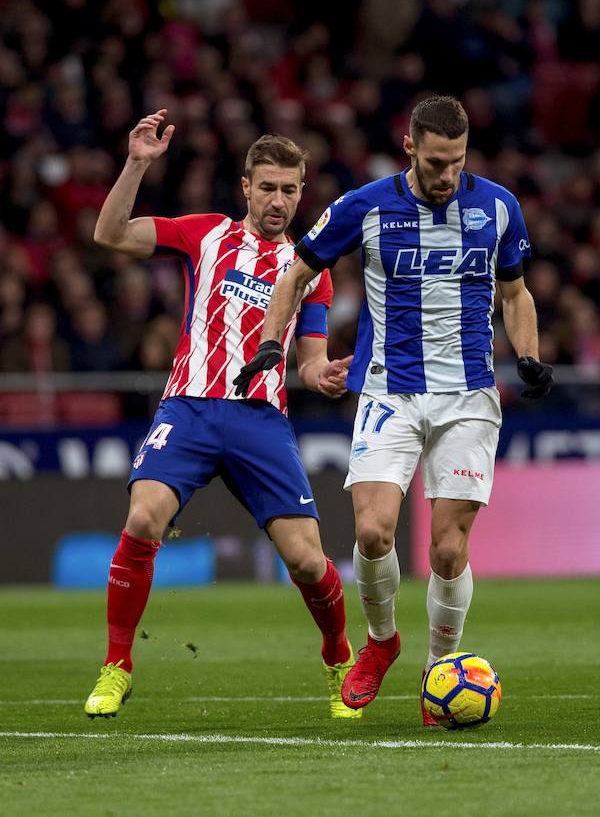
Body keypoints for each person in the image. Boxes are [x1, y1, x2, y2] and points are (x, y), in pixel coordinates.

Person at [234, 95, 554, 724]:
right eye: (436, 162)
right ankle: (382, 642)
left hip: (467, 395)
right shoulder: (365, 205)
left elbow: (515, 293)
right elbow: (296, 273)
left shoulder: (497, 207)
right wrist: (274, 340)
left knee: (447, 551)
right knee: (373, 531)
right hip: (389, 390)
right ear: (410, 148)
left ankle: (443, 669)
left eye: (457, 162)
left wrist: (529, 356)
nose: (447, 176)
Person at [84, 109, 361, 721]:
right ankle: (117, 666)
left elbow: (309, 361)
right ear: (245, 187)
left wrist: (326, 375)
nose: (279, 200)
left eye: (290, 190)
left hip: (260, 419)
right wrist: (136, 163)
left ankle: (339, 655)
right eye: (268, 187)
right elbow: (110, 233)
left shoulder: (310, 270)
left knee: (309, 561)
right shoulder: (204, 234)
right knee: (143, 517)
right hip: (188, 409)